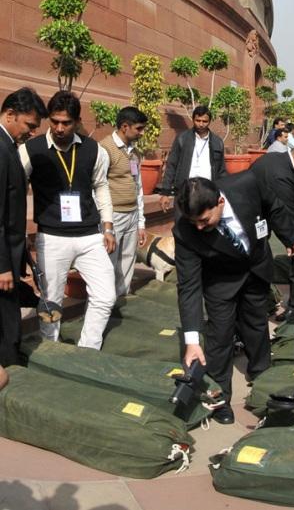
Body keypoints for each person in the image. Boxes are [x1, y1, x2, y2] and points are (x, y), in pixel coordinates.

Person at [174, 176, 294, 424]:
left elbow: (274, 206)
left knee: (256, 322)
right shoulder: (185, 230)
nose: (199, 227)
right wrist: (191, 340)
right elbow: (188, 286)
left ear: (220, 202)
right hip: (220, 280)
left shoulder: (248, 184)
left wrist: (291, 237)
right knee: (219, 337)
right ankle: (219, 396)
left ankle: (261, 374)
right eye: (194, 222)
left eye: (204, 220)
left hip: (256, 266)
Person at [19, 91, 117, 349]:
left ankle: (88, 349)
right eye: (54, 121)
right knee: (51, 302)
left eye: (66, 123)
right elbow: (15, 188)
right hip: (52, 238)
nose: (59, 128)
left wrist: (108, 227)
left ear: (77, 121)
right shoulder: (31, 149)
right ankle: (50, 348)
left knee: (106, 295)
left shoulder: (94, 149)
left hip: (90, 236)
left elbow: (102, 187)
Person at [0, 87, 47, 366]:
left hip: (10, 252)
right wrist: (3, 265)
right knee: (6, 325)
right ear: (9, 115)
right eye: (29, 125)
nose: (31, 132)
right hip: (2, 260)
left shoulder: (9, 147)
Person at [252, 137, 294, 322]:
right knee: (256, 265)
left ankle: (260, 306)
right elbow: (291, 218)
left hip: (260, 222)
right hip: (251, 223)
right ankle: (253, 310)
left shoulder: (276, 159)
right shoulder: (281, 175)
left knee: (260, 262)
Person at [99, 107, 148, 297]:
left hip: (132, 214)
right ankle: (105, 305)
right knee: (108, 262)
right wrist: (106, 225)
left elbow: (138, 186)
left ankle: (122, 300)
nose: (142, 132)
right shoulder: (105, 149)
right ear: (125, 127)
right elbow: (98, 186)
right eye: (139, 128)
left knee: (128, 261)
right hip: (114, 216)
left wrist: (141, 222)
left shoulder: (134, 153)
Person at [159, 106, 226, 212]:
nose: (201, 124)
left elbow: (221, 171)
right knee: (181, 225)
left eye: (204, 121)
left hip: (208, 191)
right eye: (198, 120)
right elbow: (171, 165)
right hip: (185, 190)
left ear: (209, 121)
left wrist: (223, 193)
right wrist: (165, 193)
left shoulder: (217, 142)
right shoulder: (182, 139)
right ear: (193, 119)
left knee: (205, 225)